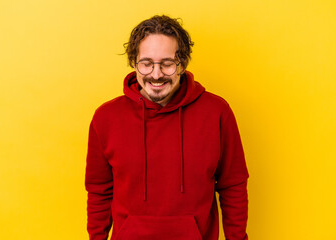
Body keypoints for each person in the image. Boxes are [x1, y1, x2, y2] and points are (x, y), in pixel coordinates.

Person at [85, 15, 249, 240]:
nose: (156, 74)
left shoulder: (217, 112)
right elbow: (99, 192)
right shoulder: (106, 118)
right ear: (134, 63)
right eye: (146, 63)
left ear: (182, 64)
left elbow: (233, 186)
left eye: (167, 63)